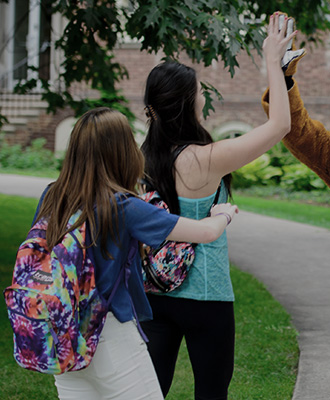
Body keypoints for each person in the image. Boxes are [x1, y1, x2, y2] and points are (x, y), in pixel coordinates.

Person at [32, 107, 238, 400]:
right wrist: (223, 214)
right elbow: (204, 233)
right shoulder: (123, 206)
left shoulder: (52, 196)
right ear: (121, 151)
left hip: (63, 331)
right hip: (111, 334)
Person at [139, 13, 296, 399]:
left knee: (146, 392)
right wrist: (272, 63)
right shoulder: (205, 159)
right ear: (189, 102)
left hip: (153, 293)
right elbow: (279, 126)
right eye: (197, 91)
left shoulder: (139, 159)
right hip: (207, 297)